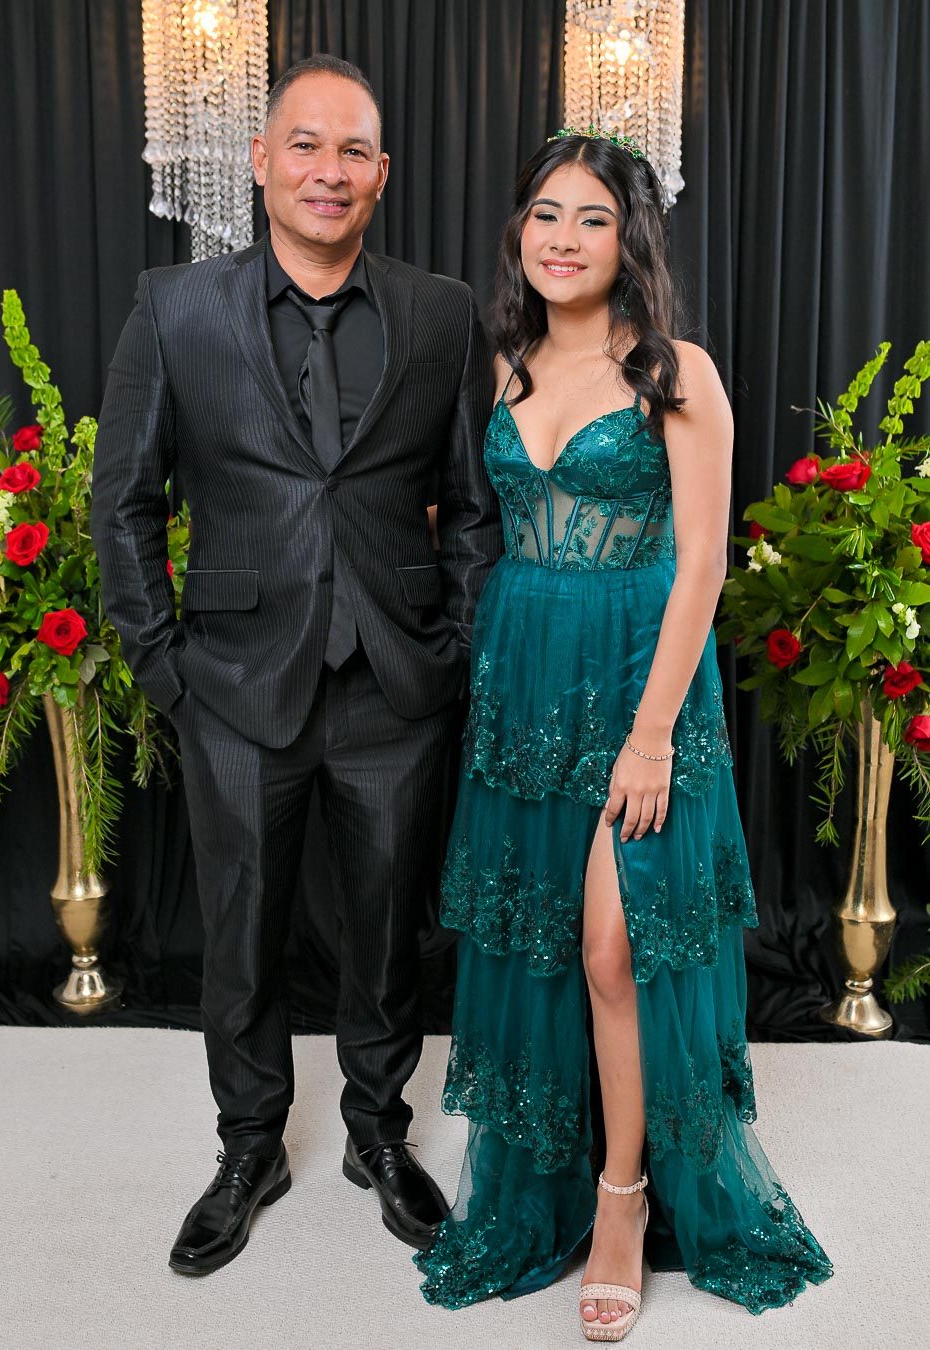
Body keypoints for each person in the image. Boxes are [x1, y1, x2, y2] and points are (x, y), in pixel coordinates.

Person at [414, 129, 833, 1337]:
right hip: (526, 683)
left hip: (642, 685)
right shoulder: (501, 364)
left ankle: (623, 1199)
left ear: (629, 238)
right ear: (519, 233)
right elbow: (475, 515)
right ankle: (557, 1184)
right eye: (544, 215)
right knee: (543, 946)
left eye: (591, 218)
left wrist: (649, 741)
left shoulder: (675, 371)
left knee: (612, 949)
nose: (562, 239)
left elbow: (702, 564)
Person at [90, 54, 500, 1275]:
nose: (330, 170)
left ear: (382, 173)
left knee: (387, 935)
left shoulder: (440, 315)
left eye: (353, 150)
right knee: (241, 936)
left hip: (396, 685)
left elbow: (473, 506)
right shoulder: (176, 308)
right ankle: (249, 1148)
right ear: (262, 161)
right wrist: (163, 668)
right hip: (230, 685)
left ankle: (379, 1133)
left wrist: (455, 652)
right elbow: (124, 502)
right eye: (306, 146)